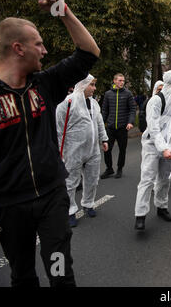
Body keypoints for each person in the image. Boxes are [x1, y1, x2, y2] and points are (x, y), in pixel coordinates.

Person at [0, 0, 100, 287]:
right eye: (39, 44)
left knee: (60, 271)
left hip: (52, 198)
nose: (45, 51)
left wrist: (62, 10)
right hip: (11, 207)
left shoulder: (44, 84)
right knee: (22, 276)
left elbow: (89, 53)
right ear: (19, 48)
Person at [134, 70, 171, 230]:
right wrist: (163, 148)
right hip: (152, 146)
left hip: (168, 145)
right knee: (147, 179)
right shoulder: (156, 101)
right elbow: (153, 129)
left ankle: (161, 207)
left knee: (165, 179)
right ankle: (140, 214)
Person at [56, 75, 108, 228]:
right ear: (83, 84)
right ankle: (70, 211)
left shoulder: (94, 103)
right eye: (91, 85)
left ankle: (88, 203)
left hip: (92, 149)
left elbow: (99, 122)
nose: (94, 88)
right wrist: (60, 150)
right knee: (71, 182)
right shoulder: (67, 102)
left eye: (94, 84)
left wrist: (103, 139)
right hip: (73, 150)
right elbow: (59, 129)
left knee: (92, 179)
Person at [100, 73, 136, 179]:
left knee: (122, 150)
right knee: (107, 149)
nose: (122, 82)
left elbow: (132, 110)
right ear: (114, 81)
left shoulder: (128, 94)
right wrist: (101, 124)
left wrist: (130, 122)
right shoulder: (108, 94)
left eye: (123, 81)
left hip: (122, 127)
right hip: (110, 127)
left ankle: (120, 169)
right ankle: (109, 169)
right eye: (119, 80)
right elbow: (104, 110)